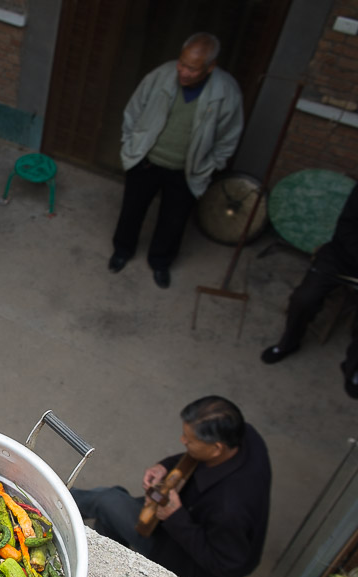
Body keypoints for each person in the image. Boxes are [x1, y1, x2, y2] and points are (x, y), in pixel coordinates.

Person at [70, 397, 271, 577]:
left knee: (106, 500)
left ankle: (57, 502)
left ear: (217, 448)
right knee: (110, 518)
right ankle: (104, 560)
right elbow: (194, 457)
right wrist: (166, 467)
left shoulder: (229, 508)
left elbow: (225, 565)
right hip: (185, 509)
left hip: (182, 552)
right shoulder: (244, 436)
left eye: (190, 440)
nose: (183, 441)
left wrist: (176, 517)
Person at [108, 32, 244, 289]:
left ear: (210, 67)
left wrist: (213, 164)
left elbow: (229, 137)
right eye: (181, 63)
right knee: (131, 211)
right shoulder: (161, 74)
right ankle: (123, 251)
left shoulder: (226, 92)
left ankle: (160, 262)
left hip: (186, 170)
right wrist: (129, 143)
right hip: (147, 160)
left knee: (174, 220)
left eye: (192, 68)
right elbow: (134, 109)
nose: (182, 71)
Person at [261, 183, 358, 399]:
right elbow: (346, 227)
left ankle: (353, 370)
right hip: (340, 257)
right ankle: (288, 344)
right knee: (304, 299)